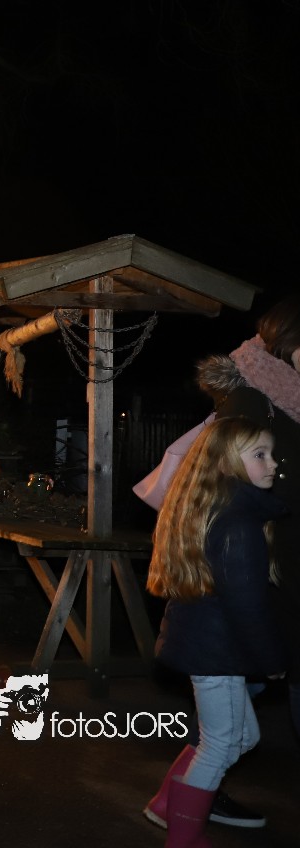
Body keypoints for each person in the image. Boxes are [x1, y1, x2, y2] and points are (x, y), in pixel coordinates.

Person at [141, 417, 287, 847]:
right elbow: (248, 608)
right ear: (225, 463)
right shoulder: (239, 525)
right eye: (259, 454)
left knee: (241, 737)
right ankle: (183, 838)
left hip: (207, 645)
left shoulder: (217, 509)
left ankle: (167, 804)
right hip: (217, 653)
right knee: (221, 744)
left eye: (271, 454)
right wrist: (272, 662)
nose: (273, 463)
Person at [197, 295, 300, 743]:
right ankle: (198, 773)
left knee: (235, 718)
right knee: (228, 716)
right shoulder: (250, 400)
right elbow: (224, 493)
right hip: (268, 572)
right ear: (287, 340)